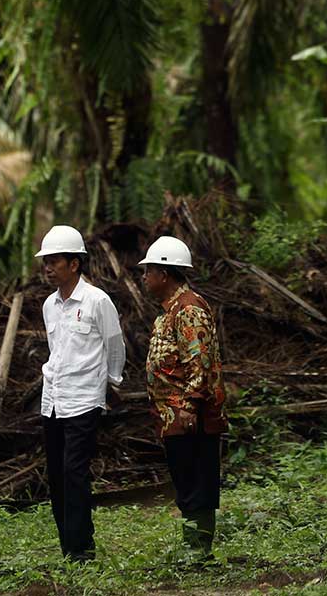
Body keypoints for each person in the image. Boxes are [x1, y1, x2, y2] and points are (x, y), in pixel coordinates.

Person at [35, 225, 126, 562]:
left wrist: (110, 384)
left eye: (54, 261)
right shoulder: (49, 306)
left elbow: (114, 345)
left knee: (75, 473)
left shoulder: (96, 300)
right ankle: (68, 547)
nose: (47, 267)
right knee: (58, 477)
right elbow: (56, 350)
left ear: (74, 264)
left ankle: (82, 550)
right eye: (46, 261)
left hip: (85, 400)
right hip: (54, 401)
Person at [139, 236, 228, 558]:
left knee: (196, 482)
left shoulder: (188, 309)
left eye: (147, 271)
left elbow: (200, 363)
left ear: (164, 274)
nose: (144, 277)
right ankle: (194, 547)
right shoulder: (170, 311)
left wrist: (189, 406)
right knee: (187, 479)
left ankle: (199, 551)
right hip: (174, 416)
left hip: (191, 417)